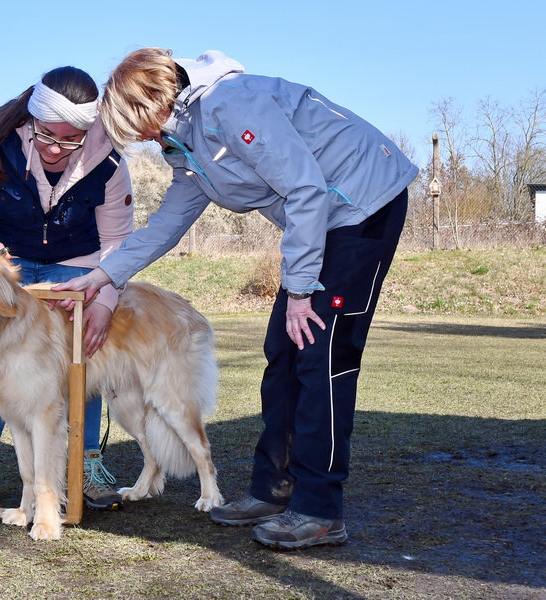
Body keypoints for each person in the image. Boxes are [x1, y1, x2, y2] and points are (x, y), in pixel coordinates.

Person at [51, 48, 419, 549]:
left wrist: (300, 288)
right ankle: (274, 488)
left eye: (137, 126)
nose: (142, 139)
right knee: (282, 352)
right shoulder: (184, 145)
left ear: (155, 101)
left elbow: (306, 189)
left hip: (363, 207)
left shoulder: (232, 103)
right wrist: (101, 276)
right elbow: (166, 225)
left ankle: (320, 509)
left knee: (321, 358)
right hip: (319, 223)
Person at [0, 66, 135, 515]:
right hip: (3, 259)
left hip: (80, 264)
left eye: (70, 141)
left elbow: (117, 244)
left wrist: (102, 298)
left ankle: (83, 464)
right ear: (31, 119)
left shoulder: (109, 161)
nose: (54, 149)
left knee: (81, 357)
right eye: (46, 135)